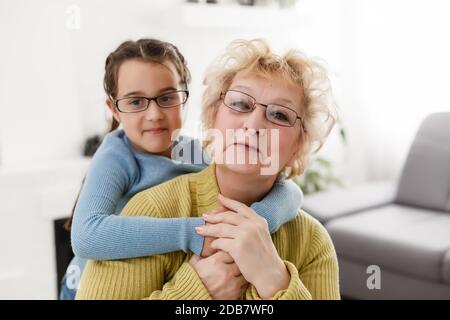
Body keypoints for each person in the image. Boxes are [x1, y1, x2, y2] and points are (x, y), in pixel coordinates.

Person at [75, 38, 340, 300]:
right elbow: (86, 236)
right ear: (213, 115)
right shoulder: (126, 172)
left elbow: (289, 191)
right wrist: (193, 290)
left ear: (299, 145)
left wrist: (274, 277)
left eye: (280, 115)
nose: (253, 125)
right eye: (240, 104)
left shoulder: (313, 241)